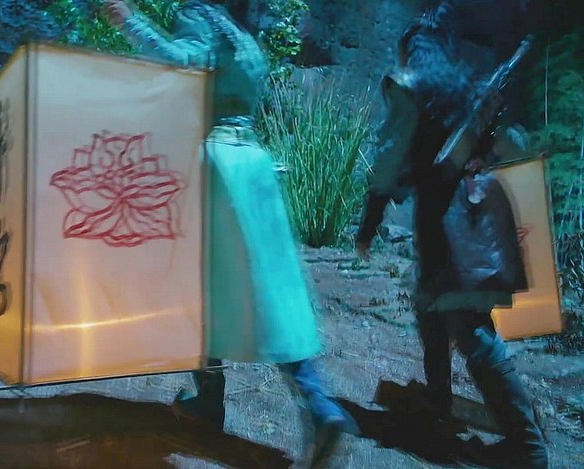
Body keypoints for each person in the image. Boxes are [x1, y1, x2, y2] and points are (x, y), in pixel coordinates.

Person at [102, 1, 354, 467]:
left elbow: (183, 62)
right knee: (272, 293)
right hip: (253, 163)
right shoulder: (243, 34)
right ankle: (319, 405)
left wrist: (129, 22)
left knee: (195, 286)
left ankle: (209, 399)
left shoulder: (199, 16)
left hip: (217, 166)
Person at [355, 2, 547, 467]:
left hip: (449, 218)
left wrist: (371, 217)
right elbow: (514, 143)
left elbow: (390, 155)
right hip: (474, 207)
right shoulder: (468, 81)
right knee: (430, 307)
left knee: (470, 327)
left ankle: (527, 446)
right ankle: (437, 404)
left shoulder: (415, 81)